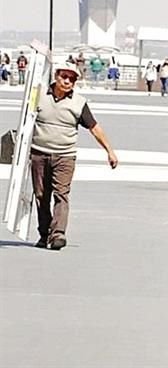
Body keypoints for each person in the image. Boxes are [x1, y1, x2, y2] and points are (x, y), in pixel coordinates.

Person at [31, 63, 119, 249]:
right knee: (41, 195)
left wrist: (109, 150)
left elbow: (94, 128)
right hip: (39, 153)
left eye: (72, 79)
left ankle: (58, 235)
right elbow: (26, 118)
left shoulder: (79, 103)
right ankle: (44, 233)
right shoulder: (38, 96)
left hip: (65, 156)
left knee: (61, 194)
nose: (68, 81)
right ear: (56, 76)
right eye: (64, 76)